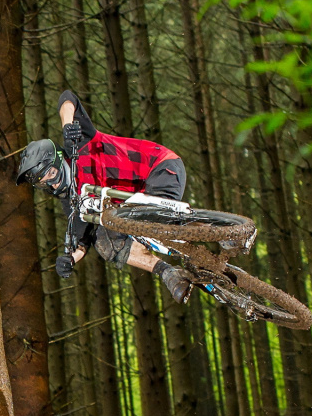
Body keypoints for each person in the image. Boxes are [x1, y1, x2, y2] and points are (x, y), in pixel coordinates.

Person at [16, 89, 194, 303]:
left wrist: (67, 127)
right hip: (140, 199)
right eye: (45, 183)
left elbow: (67, 98)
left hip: (160, 167)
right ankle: (169, 273)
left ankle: (215, 231)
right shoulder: (73, 202)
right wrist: (70, 259)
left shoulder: (80, 144)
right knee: (105, 241)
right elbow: (82, 240)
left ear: (58, 160)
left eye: (52, 174)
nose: (53, 184)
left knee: (149, 217)